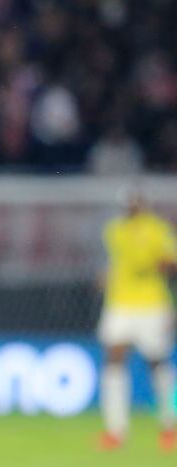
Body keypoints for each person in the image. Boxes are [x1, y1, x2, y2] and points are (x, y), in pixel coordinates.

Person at [97, 188, 177, 450]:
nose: (131, 207)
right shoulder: (115, 230)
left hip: (151, 303)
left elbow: (169, 261)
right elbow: (118, 261)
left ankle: (169, 426)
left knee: (157, 363)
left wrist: (155, 264)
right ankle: (115, 430)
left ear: (143, 204)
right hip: (120, 302)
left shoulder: (157, 229)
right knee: (114, 359)